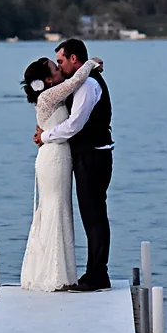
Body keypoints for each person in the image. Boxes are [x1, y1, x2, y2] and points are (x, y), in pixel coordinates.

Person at [33, 38, 113, 291]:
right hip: (85, 155)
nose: (60, 66)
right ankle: (92, 272)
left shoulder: (88, 84)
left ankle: (98, 274)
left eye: (61, 61)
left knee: (94, 216)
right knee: (91, 215)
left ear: (74, 59)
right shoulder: (76, 83)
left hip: (93, 155)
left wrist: (45, 136)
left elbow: (75, 124)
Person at [19, 55, 103, 291]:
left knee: (59, 210)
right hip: (54, 158)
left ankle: (60, 272)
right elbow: (75, 82)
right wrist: (90, 63)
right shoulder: (48, 95)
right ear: (47, 79)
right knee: (56, 209)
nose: (59, 71)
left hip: (59, 155)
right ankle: (55, 275)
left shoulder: (49, 96)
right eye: (56, 69)